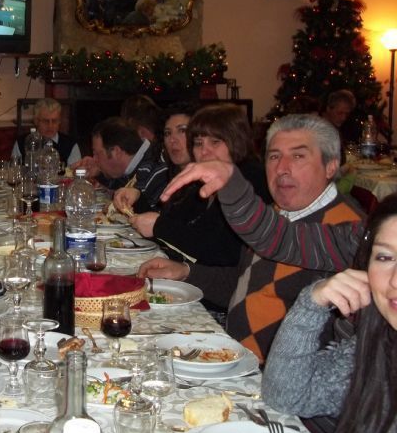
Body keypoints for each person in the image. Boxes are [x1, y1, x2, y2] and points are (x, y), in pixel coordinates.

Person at [138, 114, 363, 361]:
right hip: (232, 353)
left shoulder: (350, 231)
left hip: (277, 376)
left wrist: (232, 183)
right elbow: (242, 284)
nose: (282, 168)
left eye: (298, 156)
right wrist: (186, 272)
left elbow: (278, 239)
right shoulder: (279, 212)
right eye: (274, 156)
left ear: (331, 165)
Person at [262, 194, 397, 433]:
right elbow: (285, 395)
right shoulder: (375, 348)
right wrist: (312, 302)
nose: (394, 280)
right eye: (385, 257)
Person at [129, 104, 271, 268]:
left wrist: (160, 226)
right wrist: (138, 200)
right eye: (198, 143)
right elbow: (173, 228)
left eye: (215, 142)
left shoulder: (251, 178)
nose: (204, 151)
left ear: (236, 141)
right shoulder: (202, 182)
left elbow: (226, 252)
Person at [113, 102, 195, 213]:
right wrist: (137, 197)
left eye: (182, 131)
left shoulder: (205, 182)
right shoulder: (171, 174)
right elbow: (159, 220)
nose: (172, 139)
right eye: (167, 133)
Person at [74, 117, 148, 192]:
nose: (95, 159)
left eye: (96, 154)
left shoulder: (149, 172)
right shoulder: (137, 164)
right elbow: (122, 185)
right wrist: (99, 173)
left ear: (116, 152)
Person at [12, 98, 81, 166]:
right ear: (36, 121)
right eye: (45, 121)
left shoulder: (70, 145)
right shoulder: (22, 143)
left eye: (54, 121)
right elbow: (14, 171)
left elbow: (76, 173)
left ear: (59, 121)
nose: (50, 126)